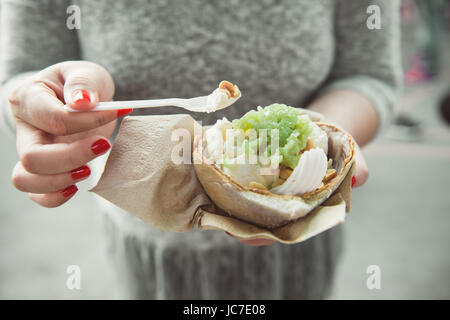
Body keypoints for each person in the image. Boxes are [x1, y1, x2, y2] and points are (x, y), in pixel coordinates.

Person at [0, 0, 401, 299]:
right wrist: (54, 110)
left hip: (297, 254)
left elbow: (368, 73)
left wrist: (328, 134)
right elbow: (24, 74)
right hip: (148, 248)